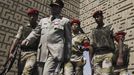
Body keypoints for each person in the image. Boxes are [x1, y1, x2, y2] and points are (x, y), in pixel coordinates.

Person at [21, 0, 72, 75]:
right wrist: (28, 39)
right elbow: (35, 32)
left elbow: (68, 39)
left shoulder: (65, 21)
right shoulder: (43, 20)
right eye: (52, 6)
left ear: (60, 9)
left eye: (56, 7)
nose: (54, 8)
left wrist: (67, 55)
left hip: (55, 53)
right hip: (42, 52)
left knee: (47, 73)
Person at [8, 8, 39, 75]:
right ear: (28, 16)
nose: (32, 17)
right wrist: (11, 52)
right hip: (22, 53)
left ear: (37, 17)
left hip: (33, 53)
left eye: (34, 15)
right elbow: (16, 39)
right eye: (30, 15)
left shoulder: (39, 28)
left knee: (27, 71)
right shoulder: (23, 27)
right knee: (20, 72)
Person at [89, 10, 115, 75]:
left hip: (108, 54)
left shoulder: (110, 28)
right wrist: (91, 60)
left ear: (102, 17)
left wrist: (119, 56)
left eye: (98, 17)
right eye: (95, 18)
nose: (96, 19)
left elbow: (118, 40)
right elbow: (91, 46)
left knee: (106, 73)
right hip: (97, 56)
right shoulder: (93, 31)